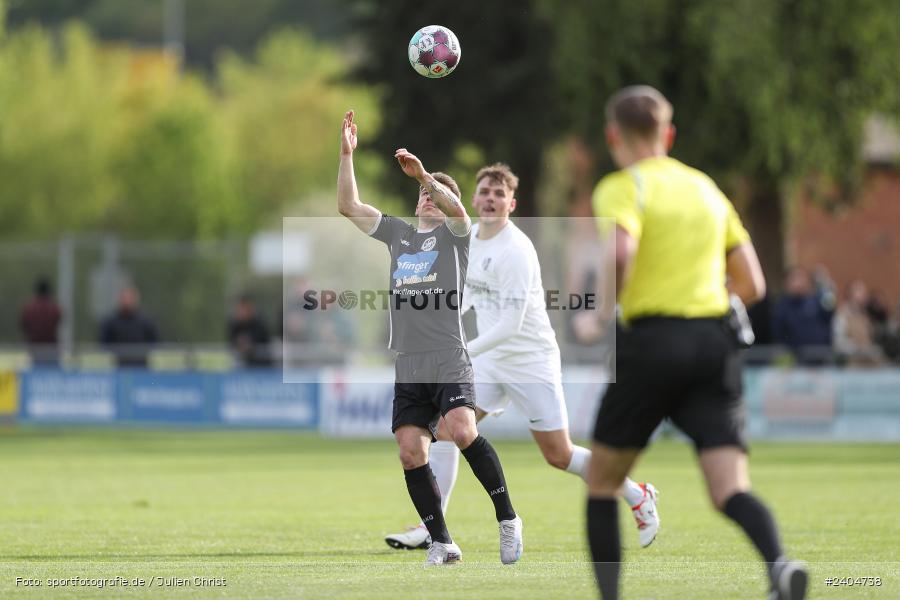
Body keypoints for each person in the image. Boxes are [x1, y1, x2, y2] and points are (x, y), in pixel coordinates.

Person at [577, 86, 806, 600]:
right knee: (730, 489)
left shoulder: (622, 186)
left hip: (652, 341)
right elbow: (752, 283)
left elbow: (619, 251)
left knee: (602, 482)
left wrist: (597, 312)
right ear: (668, 134)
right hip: (713, 343)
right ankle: (780, 568)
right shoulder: (707, 189)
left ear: (613, 134)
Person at [385, 163, 660, 552]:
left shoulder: (516, 249)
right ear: (474, 198)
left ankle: (637, 493)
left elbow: (511, 325)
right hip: (488, 360)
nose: (491, 199)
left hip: (530, 360)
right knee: (447, 430)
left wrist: (458, 348)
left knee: (558, 454)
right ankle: (434, 530)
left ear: (512, 203)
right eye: (485, 192)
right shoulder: (467, 239)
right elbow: (463, 300)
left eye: (500, 194)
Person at [336, 110, 523, 566]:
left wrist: (426, 175)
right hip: (409, 360)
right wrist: (346, 154)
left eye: (432, 194)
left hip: (447, 354)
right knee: (409, 449)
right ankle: (442, 541)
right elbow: (349, 207)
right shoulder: (399, 235)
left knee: (461, 430)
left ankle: (508, 519)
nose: (426, 198)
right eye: (421, 193)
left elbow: (459, 211)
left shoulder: (457, 237)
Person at [772, 266, 834, 363]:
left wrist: (826, 288)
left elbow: (830, 312)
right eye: (795, 279)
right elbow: (778, 332)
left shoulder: (816, 301)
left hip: (821, 359)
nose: (799, 283)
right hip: (797, 361)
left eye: (801, 278)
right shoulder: (782, 306)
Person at [99, 286, 159, 367]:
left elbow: (154, 342)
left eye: (129, 298)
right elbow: (104, 343)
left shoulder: (146, 322)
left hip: (142, 368)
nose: (127, 301)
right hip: (119, 368)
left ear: (135, 299)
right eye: (124, 298)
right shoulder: (111, 322)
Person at [833, 280, 884, 366]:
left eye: (864, 291)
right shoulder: (842, 315)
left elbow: (870, 340)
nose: (864, 294)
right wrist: (858, 349)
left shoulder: (866, 316)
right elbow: (838, 343)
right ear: (849, 294)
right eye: (860, 291)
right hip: (852, 365)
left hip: (869, 364)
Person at [19, 277, 62, 364]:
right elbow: (58, 321)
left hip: (34, 348)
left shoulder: (29, 308)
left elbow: (23, 325)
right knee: (52, 375)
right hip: (51, 348)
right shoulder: (54, 308)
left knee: (35, 374)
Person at [228, 294, 272, 367]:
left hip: (262, 366)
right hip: (241, 366)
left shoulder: (260, 323)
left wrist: (248, 344)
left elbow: (262, 342)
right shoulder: (234, 325)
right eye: (241, 308)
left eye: (245, 308)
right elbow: (232, 342)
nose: (243, 312)